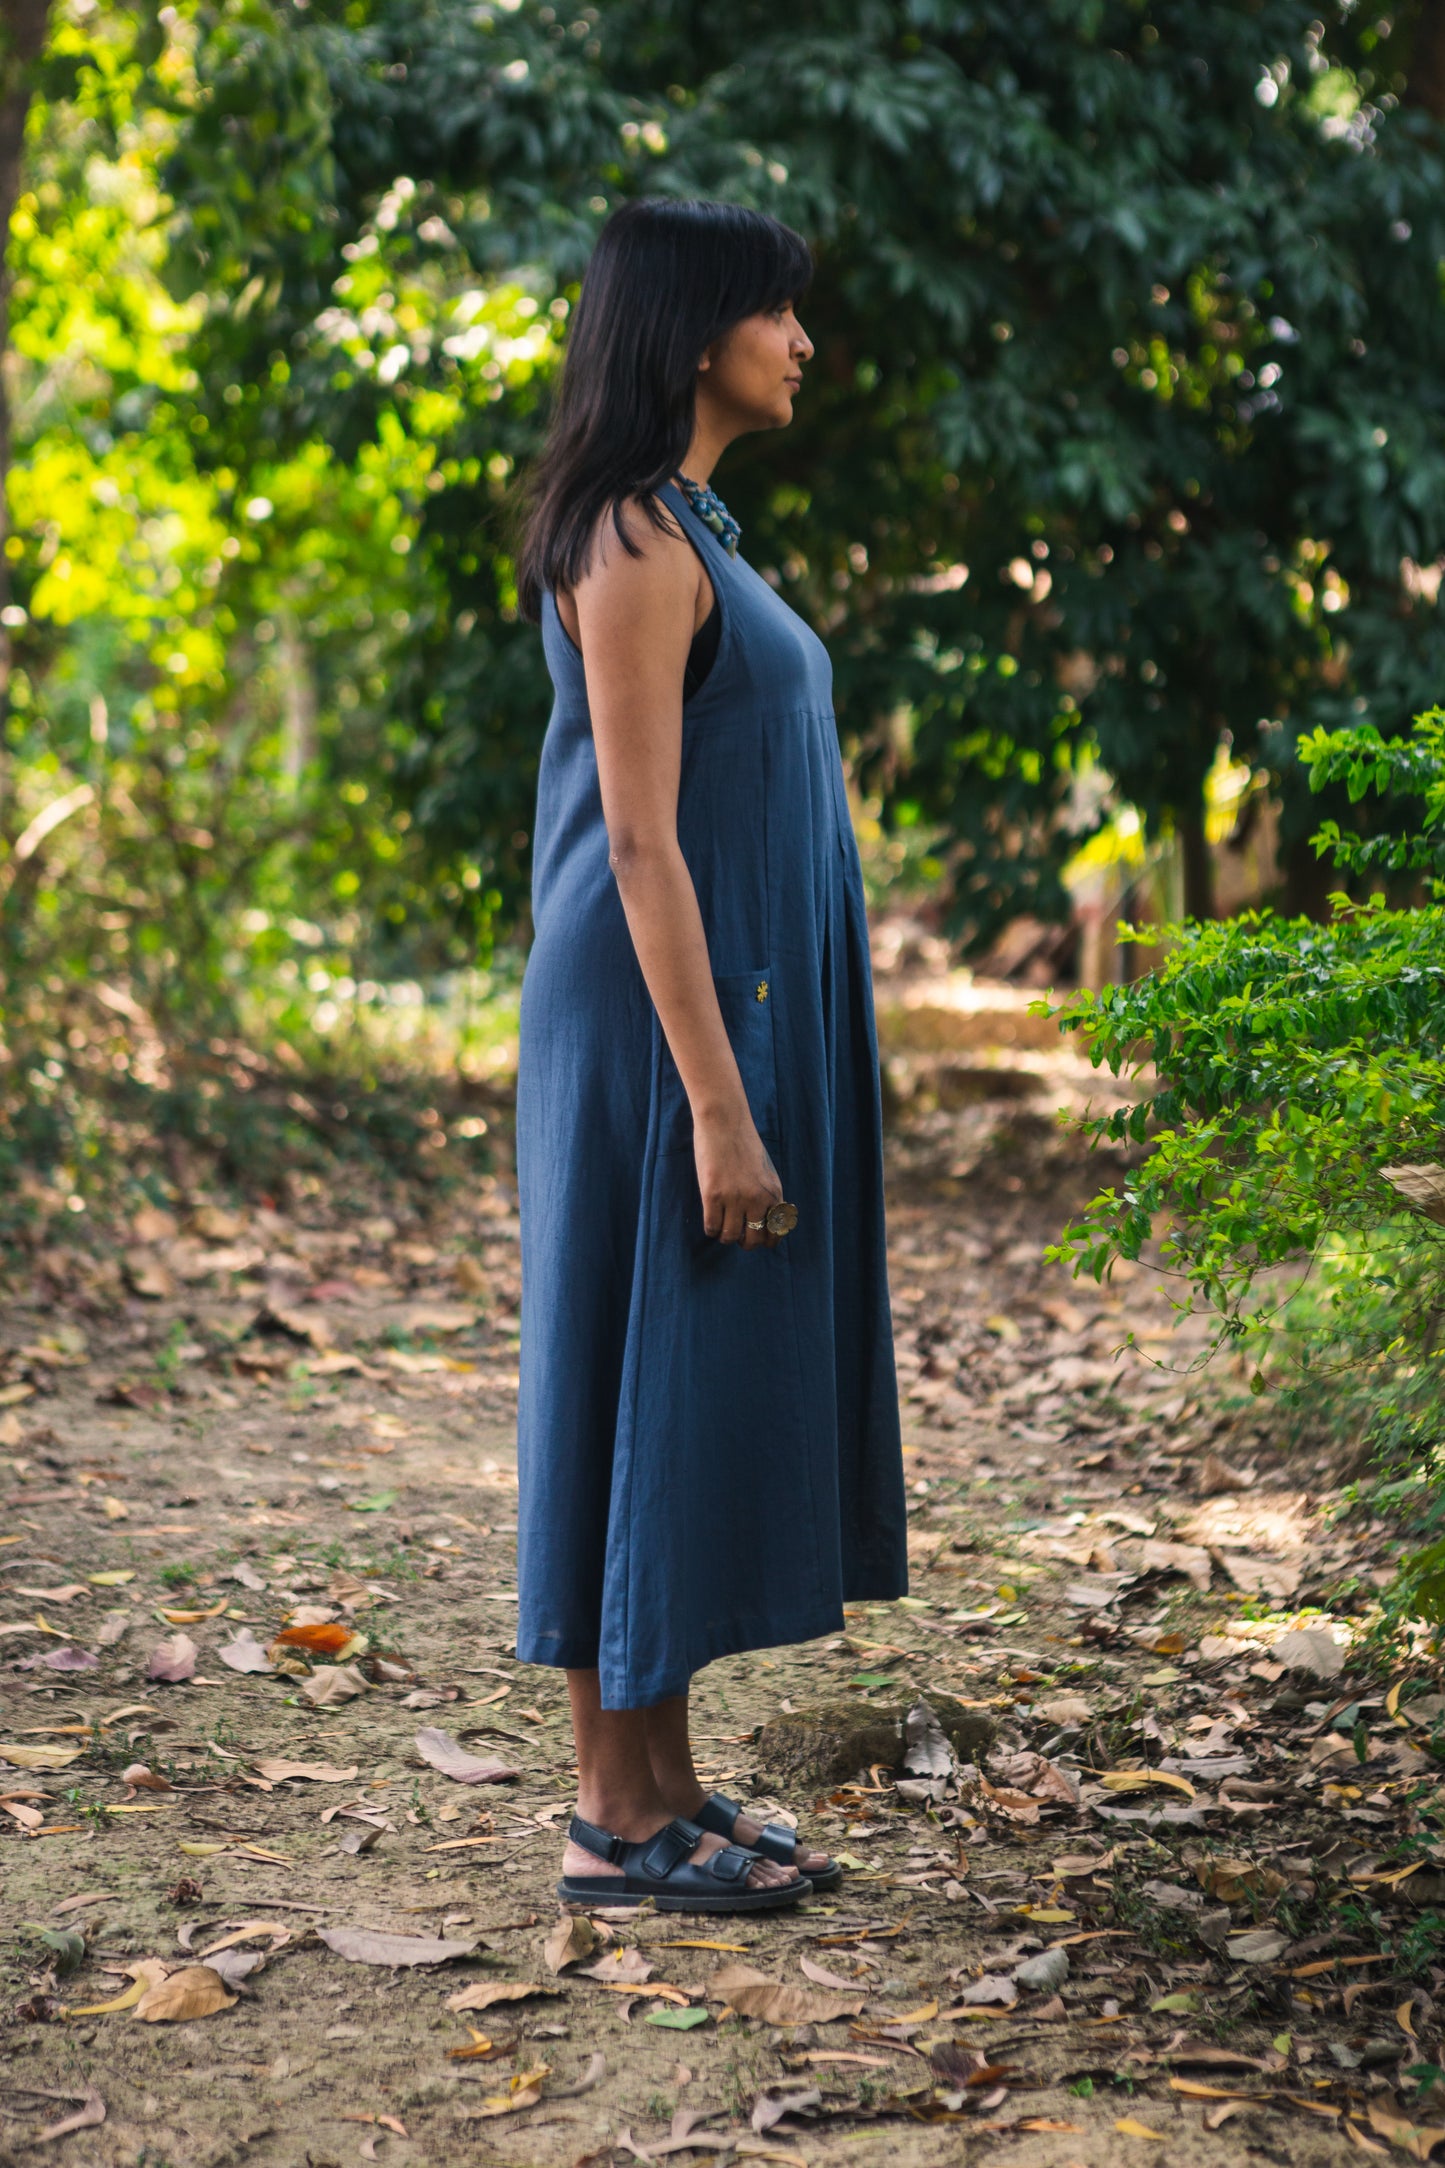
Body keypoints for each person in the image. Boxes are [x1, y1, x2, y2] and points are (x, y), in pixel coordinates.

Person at [514, 197, 908, 1913]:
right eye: (776, 314)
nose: (802, 342)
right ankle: (612, 1814)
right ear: (692, 335)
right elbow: (646, 843)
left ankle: (664, 1772)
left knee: (677, 1373)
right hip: (659, 1028)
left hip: (716, 1015)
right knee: (629, 1366)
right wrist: (717, 1107)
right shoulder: (627, 540)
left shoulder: (691, 524)